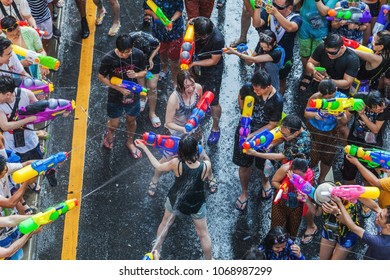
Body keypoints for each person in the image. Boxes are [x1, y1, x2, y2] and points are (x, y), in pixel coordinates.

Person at [135, 135, 214, 260]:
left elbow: (158, 166)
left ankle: (156, 250)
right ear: (196, 149)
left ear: (180, 151)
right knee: (203, 234)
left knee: (165, 222)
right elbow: (202, 161)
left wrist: (144, 147)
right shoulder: (206, 166)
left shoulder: (176, 164)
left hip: (176, 200)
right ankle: (209, 261)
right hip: (196, 203)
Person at [147, 70, 215, 197]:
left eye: (192, 84)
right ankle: (154, 180)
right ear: (180, 86)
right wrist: (183, 130)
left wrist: (200, 114)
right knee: (165, 160)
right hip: (175, 132)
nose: (190, 88)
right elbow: (168, 122)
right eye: (186, 86)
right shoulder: (174, 98)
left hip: (193, 130)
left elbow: (200, 108)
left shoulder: (198, 89)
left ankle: (210, 177)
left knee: (202, 156)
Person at [233, 70, 283, 211]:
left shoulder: (277, 100)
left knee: (263, 163)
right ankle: (244, 192)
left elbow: (273, 124)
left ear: (267, 87)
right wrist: (243, 112)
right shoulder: (249, 87)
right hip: (244, 131)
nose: (254, 91)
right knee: (244, 165)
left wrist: (253, 135)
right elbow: (241, 95)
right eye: (253, 88)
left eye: (257, 89)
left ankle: (265, 181)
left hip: (263, 136)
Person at [98, 34, 146, 158]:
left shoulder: (138, 54)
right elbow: (101, 77)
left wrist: (135, 75)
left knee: (131, 120)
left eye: (128, 52)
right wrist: (118, 88)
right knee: (114, 124)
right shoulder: (108, 58)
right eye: (122, 53)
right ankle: (109, 134)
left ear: (132, 47)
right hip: (115, 96)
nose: (125, 55)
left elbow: (144, 72)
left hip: (133, 94)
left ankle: (130, 142)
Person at [253, 0, 302, 94]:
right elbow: (256, 24)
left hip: (284, 57)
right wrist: (257, 8)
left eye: (279, 7)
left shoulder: (296, 18)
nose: (274, 8)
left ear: (289, 8)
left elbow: (291, 27)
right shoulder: (268, 14)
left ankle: (278, 102)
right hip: (265, 51)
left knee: (281, 81)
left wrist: (275, 13)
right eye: (273, 4)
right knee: (259, 77)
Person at [304, 79, 348, 183]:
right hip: (314, 130)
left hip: (332, 131)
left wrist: (340, 115)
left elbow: (345, 121)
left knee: (328, 156)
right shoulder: (315, 97)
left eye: (332, 97)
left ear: (336, 89)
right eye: (327, 98)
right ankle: (308, 176)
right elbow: (306, 113)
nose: (329, 99)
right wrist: (316, 115)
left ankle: (322, 178)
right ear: (320, 93)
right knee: (312, 155)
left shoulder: (342, 99)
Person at [341, 90, 390, 184]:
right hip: (355, 141)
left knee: (370, 177)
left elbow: (375, 129)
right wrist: (340, 114)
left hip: (373, 146)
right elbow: (345, 119)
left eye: (382, 107)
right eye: (378, 109)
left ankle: (367, 196)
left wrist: (362, 115)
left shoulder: (387, 106)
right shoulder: (358, 100)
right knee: (349, 174)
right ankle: (351, 195)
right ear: (368, 106)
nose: (382, 110)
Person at [190, 16, 225, 145]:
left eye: (204, 37)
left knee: (214, 101)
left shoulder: (217, 39)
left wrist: (194, 64)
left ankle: (215, 127)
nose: (202, 38)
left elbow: (214, 60)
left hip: (213, 70)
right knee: (199, 90)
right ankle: (204, 108)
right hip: (199, 62)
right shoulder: (196, 23)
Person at [271, 158, 315, 240]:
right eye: (295, 174)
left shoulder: (309, 175)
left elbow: (308, 193)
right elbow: (274, 181)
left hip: (298, 203)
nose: (297, 177)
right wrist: (282, 188)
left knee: (293, 228)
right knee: (276, 226)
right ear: (291, 169)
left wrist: (294, 181)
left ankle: (289, 244)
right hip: (281, 200)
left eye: (300, 175)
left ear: (305, 172)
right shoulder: (285, 168)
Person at [144, 0, 184, 88]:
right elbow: (146, 9)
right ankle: (164, 69)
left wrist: (171, 21)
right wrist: (154, 15)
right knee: (161, 52)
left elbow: (180, 10)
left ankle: (175, 80)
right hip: (158, 31)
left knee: (174, 58)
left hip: (175, 31)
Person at [129, 31, 161, 128]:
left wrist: (150, 58)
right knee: (141, 85)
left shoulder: (152, 40)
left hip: (152, 61)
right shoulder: (130, 39)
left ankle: (152, 112)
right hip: (136, 62)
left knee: (152, 87)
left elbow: (158, 45)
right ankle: (143, 98)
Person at [297, 0, 338, 71]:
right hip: (304, 25)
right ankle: (306, 72)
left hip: (320, 29)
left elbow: (323, 12)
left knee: (317, 55)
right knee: (304, 53)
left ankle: (314, 74)